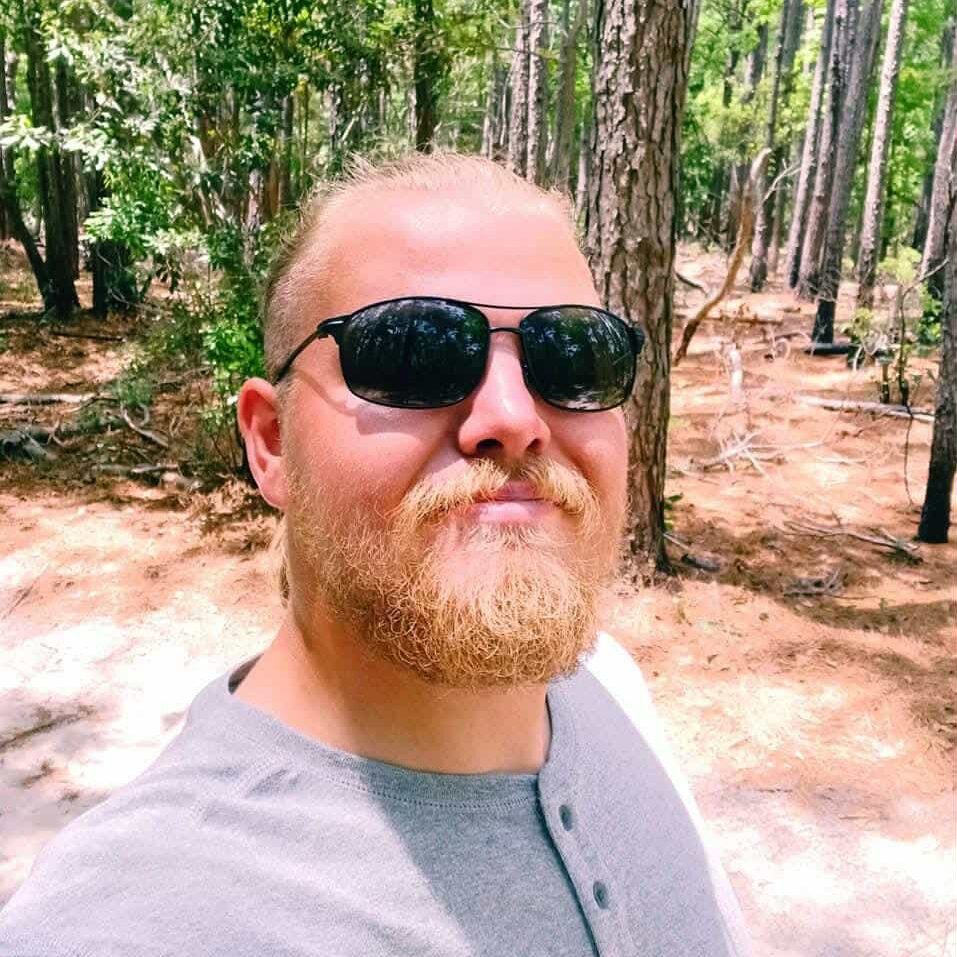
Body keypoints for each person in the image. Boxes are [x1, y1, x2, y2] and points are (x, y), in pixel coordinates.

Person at [0, 153, 750, 956]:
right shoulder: (125, 921)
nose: (512, 416)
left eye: (573, 357)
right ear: (272, 442)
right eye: (412, 356)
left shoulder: (612, 682)